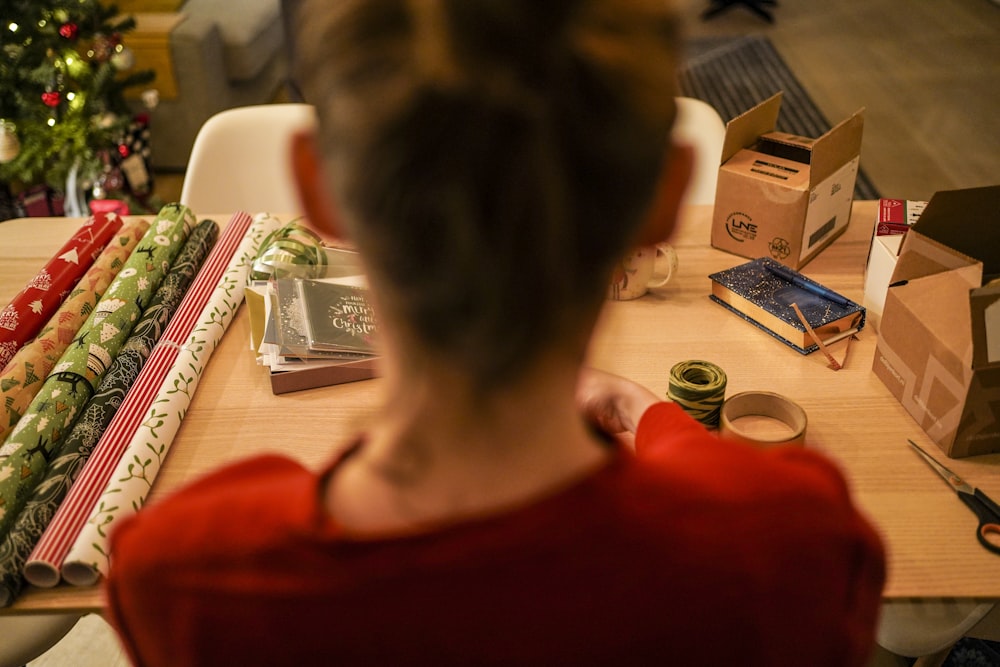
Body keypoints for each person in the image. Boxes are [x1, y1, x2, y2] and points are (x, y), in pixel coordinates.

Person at [105, 1, 885, 665]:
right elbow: (740, 506)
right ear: (668, 196)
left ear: (316, 185)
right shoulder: (791, 547)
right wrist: (662, 423)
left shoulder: (181, 573)